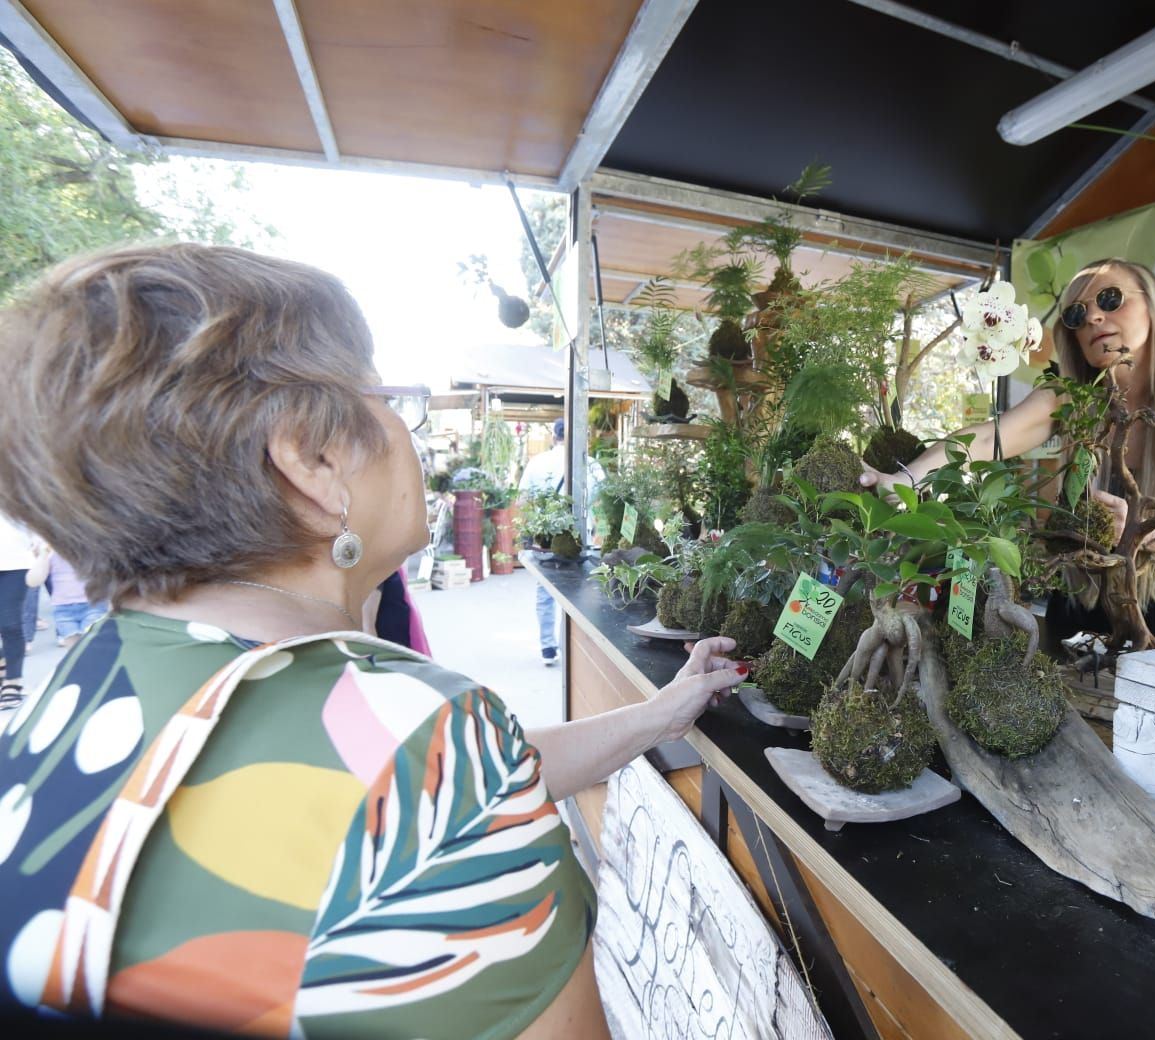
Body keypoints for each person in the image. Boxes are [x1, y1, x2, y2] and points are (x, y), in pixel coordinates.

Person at [0, 243, 746, 1038]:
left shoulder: (97, 676)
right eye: (384, 394)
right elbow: (432, 790)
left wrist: (665, 713)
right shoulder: (428, 738)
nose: (405, 432)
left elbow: (435, 789)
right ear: (313, 459)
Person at [862, 258, 1155, 648]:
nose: (1093, 319)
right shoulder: (1073, 398)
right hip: (1079, 615)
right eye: (1076, 314)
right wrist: (905, 479)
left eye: (1110, 298)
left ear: (1154, 305)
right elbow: (986, 439)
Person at [519, 418, 603, 666]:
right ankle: (576, 653)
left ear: (554, 437)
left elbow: (522, 501)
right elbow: (602, 503)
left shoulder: (538, 462)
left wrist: (532, 527)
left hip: (545, 542)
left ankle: (548, 648)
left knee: (545, 591)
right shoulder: (591, 464)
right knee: (579, 593)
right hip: (580, 540)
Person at [26, 545, 109, 648]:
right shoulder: (52, 554)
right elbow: (33, 581)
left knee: (91, 647)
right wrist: (43, 555)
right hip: (63, 610)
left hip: (93, 606)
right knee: (74, 653)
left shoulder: (93, 550)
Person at [0, 513, 33, 707]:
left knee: (9, 622)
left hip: (15, 562)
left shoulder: (14, 485)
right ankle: (3, 662)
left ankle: (13, 681)